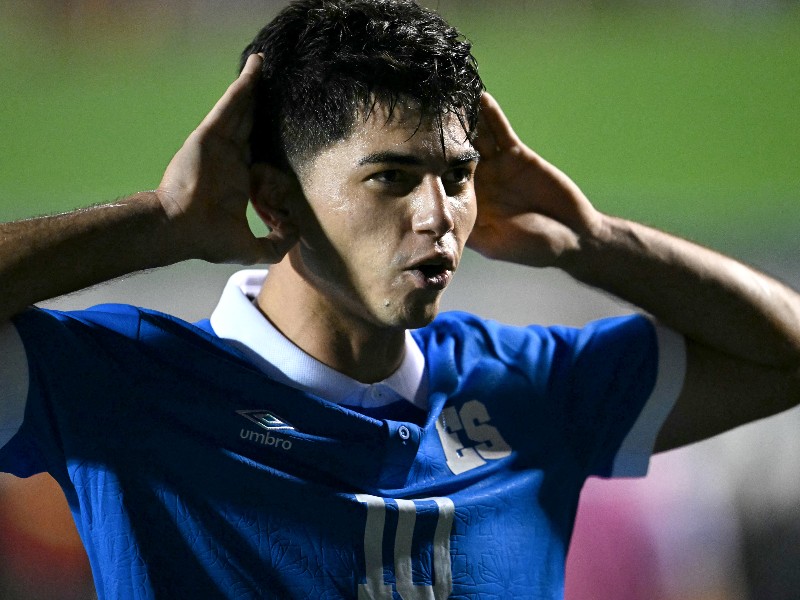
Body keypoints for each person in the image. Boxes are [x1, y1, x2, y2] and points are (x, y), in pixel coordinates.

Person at [1, 0, 798, 598]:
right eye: (390, 177)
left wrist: (591, 239)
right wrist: (157, 224)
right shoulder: (126, 385)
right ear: (275, 202)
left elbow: (784, 353)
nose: (438, 216)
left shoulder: (528, 387)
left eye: (456, 176)